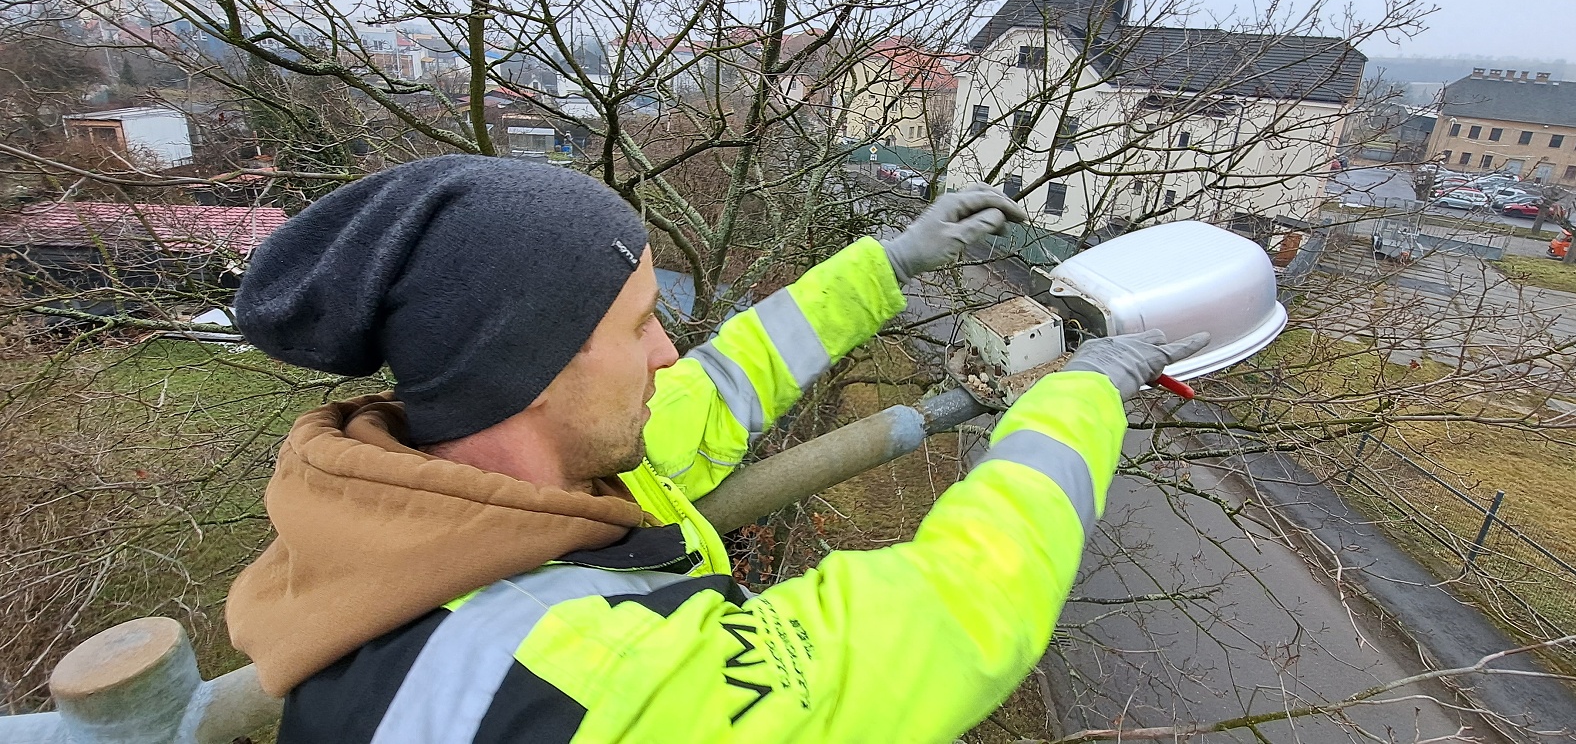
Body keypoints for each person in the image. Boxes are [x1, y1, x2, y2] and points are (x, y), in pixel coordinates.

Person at [226, 154, 1207, 743]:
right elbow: (957, 608)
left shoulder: (468, 483)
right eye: (640, 324)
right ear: (532, 367)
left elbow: (730, 378)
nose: (667, 351)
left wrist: (888, 264)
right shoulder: (587, 686)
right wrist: (1077, 400)